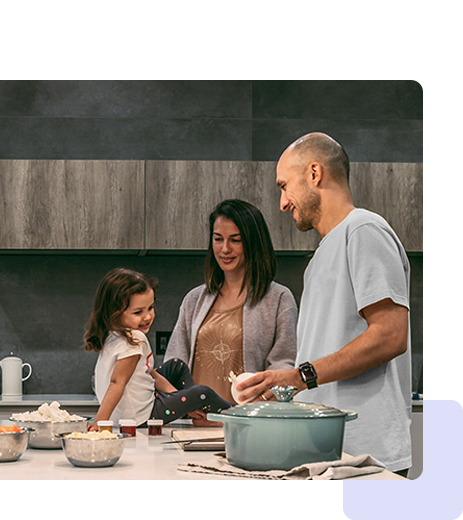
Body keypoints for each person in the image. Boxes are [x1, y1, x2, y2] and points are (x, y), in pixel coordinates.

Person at [236, 131, 412, 475]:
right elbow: (322, 361)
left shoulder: (363, 230)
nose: (283, 202)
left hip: (364, 456)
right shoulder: (320, 258)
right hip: (325, 452)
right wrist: (285, 387)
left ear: (314, 174)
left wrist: (301, 376)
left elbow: (391, 335)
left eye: (284, 186)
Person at [164, 199, 298, 414]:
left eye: (235, 240)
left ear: (254, 243)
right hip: (194, 424)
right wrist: (181, 402)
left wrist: (260, 401)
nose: (225, 249)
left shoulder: (279, 299)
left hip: (248, 423)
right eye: (218, 239)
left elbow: (284, 366)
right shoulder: (194, 299)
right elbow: (173, 363)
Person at [85, 267, 232, 430]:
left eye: (150, 308)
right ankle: (237, 414)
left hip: (132, 411)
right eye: (138, 312)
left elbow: (151, 374)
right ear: (115, 313)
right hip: (141, 416)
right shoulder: (134, 338)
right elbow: (117, 382)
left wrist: (179, 398)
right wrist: (99, 422)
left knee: (177, 366)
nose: (147, 316)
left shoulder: (112, 335)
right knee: (202, 392)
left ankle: (193, 411)